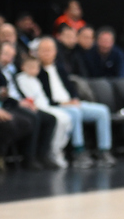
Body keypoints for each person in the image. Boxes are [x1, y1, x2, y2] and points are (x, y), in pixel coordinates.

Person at [35, 37, 115, 168]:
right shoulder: (38, 72)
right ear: (37, 53)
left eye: (50, 50)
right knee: (75, 112)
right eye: (44, 50)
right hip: (57, 106)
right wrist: (64, 104)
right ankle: (79, 151)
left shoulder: (60, 68)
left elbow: (70, 87)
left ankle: (104, 150)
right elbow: (43, 97)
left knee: (102, 111)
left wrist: (74, 98)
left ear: (55, 52)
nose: (47, 53)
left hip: (71, 103)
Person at [15, 54, 71, 168]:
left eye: (36, 67)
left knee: (66, 118)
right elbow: (26, 97)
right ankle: (50, 151)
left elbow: (42, 97)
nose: (34, 70)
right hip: (34, 107)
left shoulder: (36, 80)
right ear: (23, 67)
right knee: (54, 119)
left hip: (44, 106)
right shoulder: (21, 79)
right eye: (30, 67)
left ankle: (55, 149)